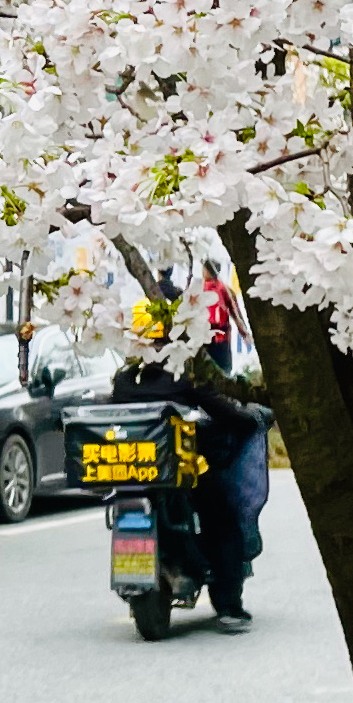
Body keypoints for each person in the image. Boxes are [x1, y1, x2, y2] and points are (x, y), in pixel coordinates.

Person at [111, 358, 267, 632]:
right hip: (178, 472)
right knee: (221, 519)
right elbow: (223, 412)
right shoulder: (184, 373)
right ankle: (229, 605)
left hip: (132, 473)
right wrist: (252, 419)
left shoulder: (125, 379)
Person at [200, 258, 249, 375]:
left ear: (206, 271)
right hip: (223, 337)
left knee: (206, 370)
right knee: (224, 369)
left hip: (205, 338)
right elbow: (236, 313)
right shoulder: (225, 289)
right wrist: (244, 332)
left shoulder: (199, 290)